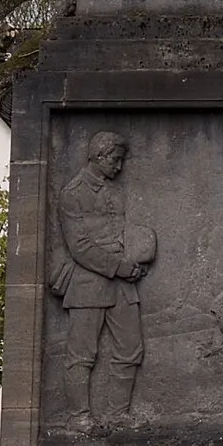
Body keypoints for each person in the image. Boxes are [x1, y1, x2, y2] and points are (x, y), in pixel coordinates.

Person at [49, 130, 156, 424]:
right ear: (99, 156)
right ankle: (78, 417)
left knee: (131, 349)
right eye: (115, 160)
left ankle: (118, 415)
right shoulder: (72, 194)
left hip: (122, 285)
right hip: (87, 286)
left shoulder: (114, 192)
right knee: (82, 355)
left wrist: (135, 260)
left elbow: (121, 235)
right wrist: (119, 266)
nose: (119, 167)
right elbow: (79, 247)